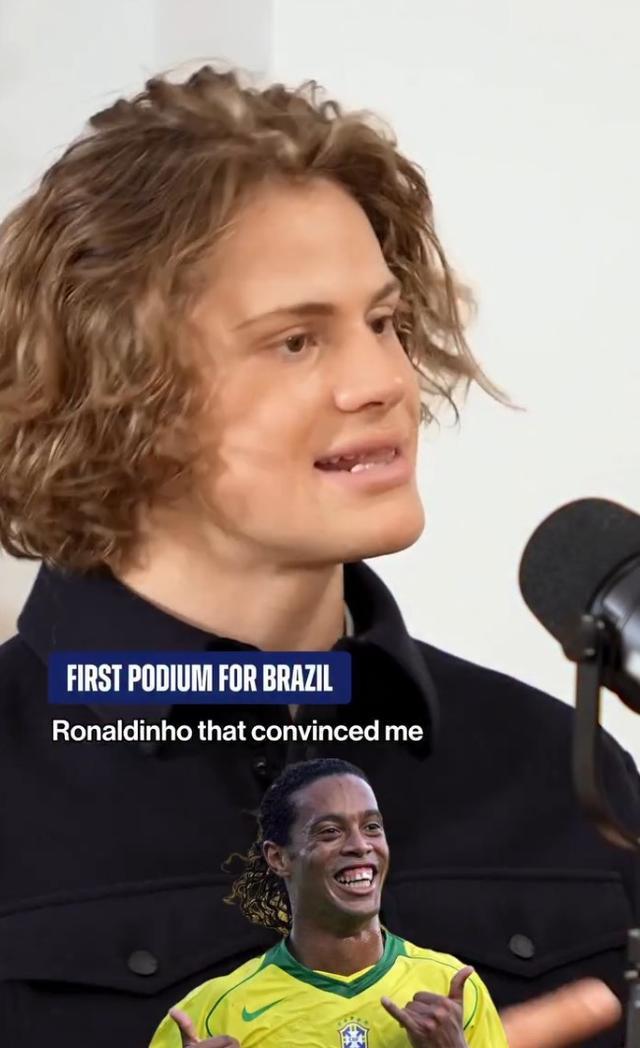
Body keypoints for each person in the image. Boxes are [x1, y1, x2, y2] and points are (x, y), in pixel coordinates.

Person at [0, 63, 632, 1048]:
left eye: (381, 322)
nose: (382, 379)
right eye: (296, 340)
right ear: (120, 390)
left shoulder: (563, 774)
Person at [150, 757, 508, 1048]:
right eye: (330, 831)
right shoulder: (212, 1013)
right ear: (278, 858)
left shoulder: (450, 989)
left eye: (372, 827)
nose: (360, 845)